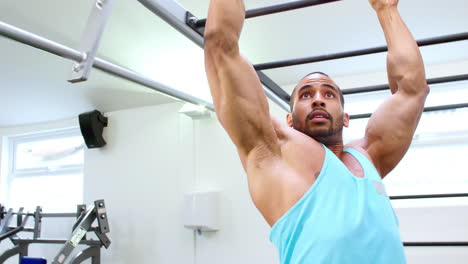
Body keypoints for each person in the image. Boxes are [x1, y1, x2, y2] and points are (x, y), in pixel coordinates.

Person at [204, 0, 428, 263]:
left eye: (329, 93)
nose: (318, 99)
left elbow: (412, 90)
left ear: (345, 118)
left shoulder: (369, 156)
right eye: (306, 94)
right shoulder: (273, 152)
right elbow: (220, 45)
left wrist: (386, 9)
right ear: (288, 118)